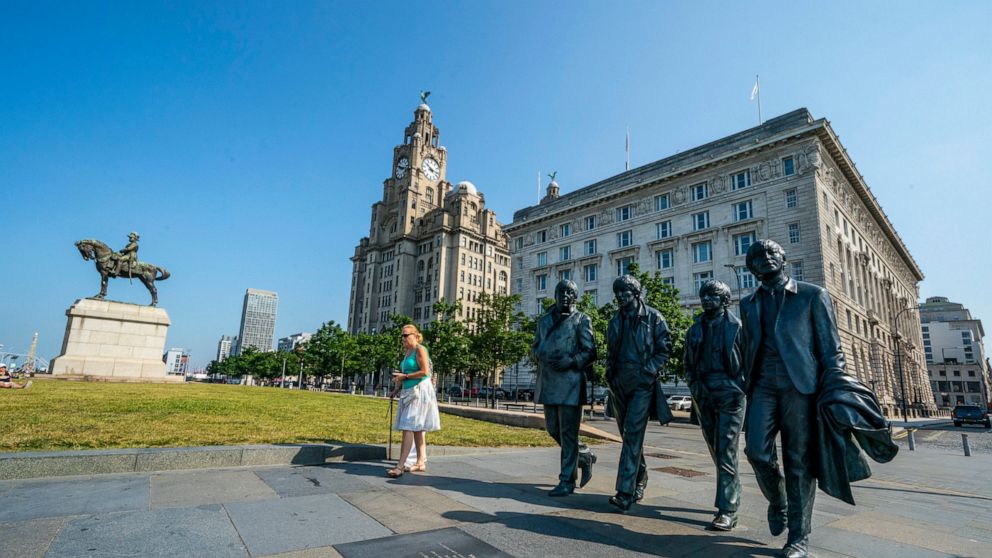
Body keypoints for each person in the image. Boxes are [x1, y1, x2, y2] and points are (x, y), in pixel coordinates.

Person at [741, 239, 845, 558]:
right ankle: (779, 500)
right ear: (751, 267)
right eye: (757, 256)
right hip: (761, 385)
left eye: (771, 253)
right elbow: (747, 346)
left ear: (784, 259)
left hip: (800, 386)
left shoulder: (813, 295)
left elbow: (831, 349)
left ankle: (798, 536)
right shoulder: (747, 303)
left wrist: (836, 387)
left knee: (799, 460)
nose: (765, 258)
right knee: (756, 451)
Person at [606, 274, 672, 512]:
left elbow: (665, 348)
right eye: (618, 293)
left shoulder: (653, 317)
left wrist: (649, 371)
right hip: (619, 384)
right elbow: (611, 352)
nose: (621, 296)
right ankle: (640, 477)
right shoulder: (615, 320)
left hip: (642, 384)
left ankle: (625, 492)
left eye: (625, 291)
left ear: (636, 293)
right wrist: (610, 376)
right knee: (628, 436)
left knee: (633, 434)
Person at [684, 280, 745, 531]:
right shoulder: (694, 329)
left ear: (725, 300)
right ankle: (731, 491)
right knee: (716, 449)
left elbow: (749, 361)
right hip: (704, 392)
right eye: (704, 295)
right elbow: (687, 363)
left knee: (726, 450)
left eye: (713, 295)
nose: (707, 299)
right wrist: (694, 386)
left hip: (730, 393)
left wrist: (739, 387)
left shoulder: (737, 326)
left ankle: (727, 509)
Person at [532, 279, 597, 497]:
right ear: (555, 296)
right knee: (552, 429)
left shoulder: (582, 320)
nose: (566, 297)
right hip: (549, 381)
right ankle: (583, 455)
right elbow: (535, 346)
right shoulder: (544, 321)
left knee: (568, 433)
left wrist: (571, 361)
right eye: (562, 293)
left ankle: (567, 480)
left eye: (570, 293)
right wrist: (540, 353)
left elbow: (590, 351)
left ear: (576, 297)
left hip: (570, 383)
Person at [386, 324, 440, 478]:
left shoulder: (420, 349)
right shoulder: (407, 352)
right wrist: (396, 389)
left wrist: (406, 377)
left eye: (405, 335)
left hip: (420, 391)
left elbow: (425, 371)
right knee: (416, 428)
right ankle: (420, 462)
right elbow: (404, 372)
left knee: (408, 426)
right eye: (402, 335)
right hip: (408, 390)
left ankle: (400, 465)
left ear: (415, 335)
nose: (402, 338)